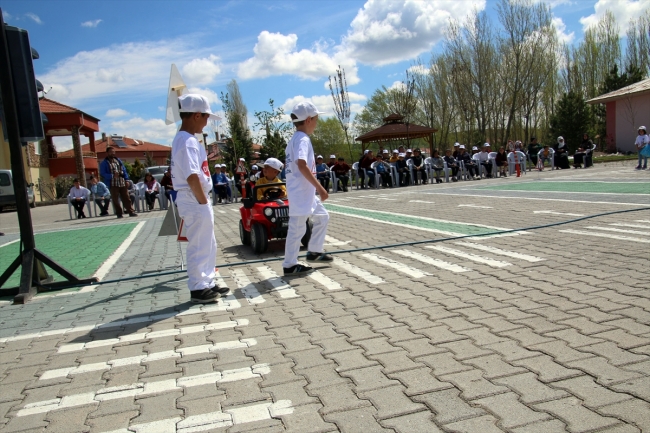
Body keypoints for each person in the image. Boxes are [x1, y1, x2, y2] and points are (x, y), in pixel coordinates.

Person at [171, 93, 227, 303]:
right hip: (194, 197)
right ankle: (197, 286)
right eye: (205, 118)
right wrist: (203, 202)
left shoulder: (188, 140)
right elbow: (192, 175)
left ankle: (207, 281)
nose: (206, 123)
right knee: (198, 242)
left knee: (208, 242)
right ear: (196, 115)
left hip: (198, 197)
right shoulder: (185, 141)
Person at [282, 101, 331, 275]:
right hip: (301, 192)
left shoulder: (296, 139)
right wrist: (320, 188)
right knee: (297, 228)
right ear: (309, 119)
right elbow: (302, 164)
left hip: (305, 191)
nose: (316, 123)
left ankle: (315, 251)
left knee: (322, 217)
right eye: (316, 120)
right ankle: (289, 264)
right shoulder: (302, 139)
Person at [99, 146, 137, 218]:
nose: (112, 153)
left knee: (126, 198)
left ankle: (131, 212)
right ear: (107, 153)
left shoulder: (118, 161)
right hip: (113, 184)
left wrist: (126, 180)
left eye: (113, 152)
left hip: (122, 182)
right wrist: (112, 176)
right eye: (111, 152)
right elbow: (102, 173)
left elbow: (124, 170)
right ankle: (119, 213)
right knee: (115, 199)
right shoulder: (104, 163)